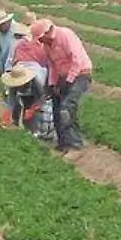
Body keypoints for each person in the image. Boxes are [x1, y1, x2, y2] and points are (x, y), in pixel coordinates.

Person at [31, 18, 93, 153]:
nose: (40, 42)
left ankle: (75, 144)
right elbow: (52, 65)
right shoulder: (47, 45)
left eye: (41, 38)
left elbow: (77, 60)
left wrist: (69, 81)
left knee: (67, 107)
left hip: (80, 74)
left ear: (47, 33)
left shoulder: (65, 35)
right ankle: (63, 142)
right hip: (63, 76)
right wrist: (52, 84)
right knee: (57, 107)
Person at [0, 58, 54, 140]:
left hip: (44, 88)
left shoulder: (36, 81)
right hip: (28, 90)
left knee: (42, 112)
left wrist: (32, 109)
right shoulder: (14, 83)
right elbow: (11, 100)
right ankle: (27, 131)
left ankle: (40, 132)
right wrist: (6, 115)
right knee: (26, 107)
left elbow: (42, 97)